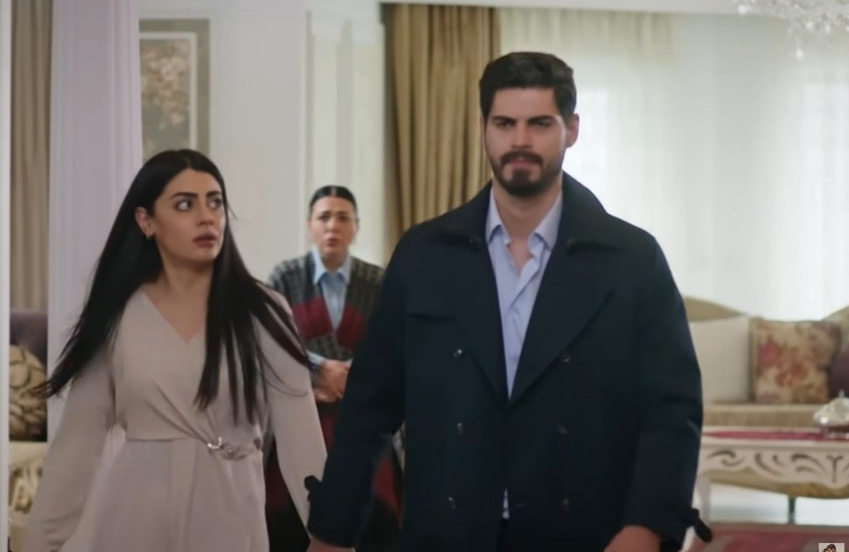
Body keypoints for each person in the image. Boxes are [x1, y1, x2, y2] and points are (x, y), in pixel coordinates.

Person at [304, 52, 712, 551]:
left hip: (586, 535)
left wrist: (646, 528)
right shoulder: (424, 256)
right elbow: (369, 407)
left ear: (572, 130)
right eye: (505, 123)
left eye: (539, 123)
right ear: (483, 129)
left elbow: (671, 413)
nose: (520, 140)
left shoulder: (631, 260)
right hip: (445, 534)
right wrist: (331, 532)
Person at [23, 149, 328, 551]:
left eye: (215, 202)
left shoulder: (263, 312)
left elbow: (302, 442)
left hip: (230, 522)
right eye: (185, 205)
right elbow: (75, 449)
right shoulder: (119, 317)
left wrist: (330, 535)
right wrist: (40, 545)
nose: (207, 217)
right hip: (133, 524)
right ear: (146, 221)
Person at [264, 185, 401, 552]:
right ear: (309, 224)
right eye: (324, 217)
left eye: (343, 217)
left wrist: (350, 375)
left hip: (364, 422)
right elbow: (269, 342)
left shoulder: (378, 280)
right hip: (300, 418)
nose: (333, 225)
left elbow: (395, 342)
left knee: (373, 521)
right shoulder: (284, 277)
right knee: (291, 523)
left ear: (356, 226)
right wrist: (320, 369)